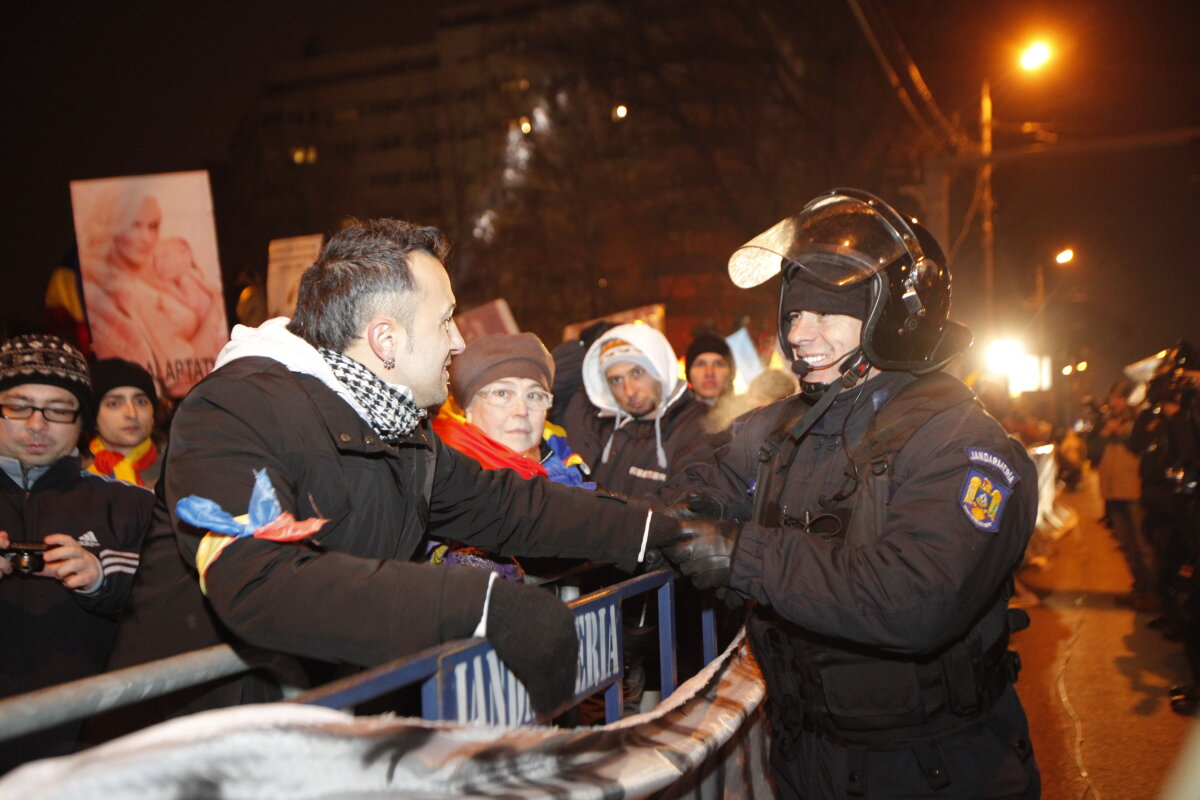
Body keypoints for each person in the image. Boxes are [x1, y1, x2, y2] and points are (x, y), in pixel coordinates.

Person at [104, 219, 681, 725]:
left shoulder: (400, 431)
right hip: (195, 750)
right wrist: (479, 604)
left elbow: (509, 507)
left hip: (321, 727)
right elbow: (257, 580)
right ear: (386, 339)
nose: (459, 342)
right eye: (447, 320)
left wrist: (663, 530)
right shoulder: (236, 410)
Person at [662, 188, 1041, 798]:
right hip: (806, 758)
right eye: (793, 313)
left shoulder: (965, 443)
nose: (799, 333)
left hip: (932, 770)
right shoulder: (784, 422)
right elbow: (701, 473)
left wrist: (742, 553)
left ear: (895, 317)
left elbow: (915, 598)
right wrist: (692, 513)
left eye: (827, 313)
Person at [0, 335, 154, 774]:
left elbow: (171, 605)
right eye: (18, 406)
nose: (36, 424)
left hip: (91, 747)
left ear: (80, 420)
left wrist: (102, 576)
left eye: (58, 409)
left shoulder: (132, 505)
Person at [429, 332, 593, 580]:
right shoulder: (442, 479)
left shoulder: (567, 462)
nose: (522, 411)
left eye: (534, 395)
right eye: (503, 394)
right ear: (468, 409)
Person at [556, 322, 718, 500]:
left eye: (637, 372)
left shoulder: (701, 425)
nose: (629, 391)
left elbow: (683, 504)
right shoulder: (597, 422)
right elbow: (550, 385)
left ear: (659, 370)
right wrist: (584, 345)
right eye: (616, 380)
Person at [85, 358, 162, 489]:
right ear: (94, 418)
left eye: (141, 402)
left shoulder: (180, 469)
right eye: (114, 404)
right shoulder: (76, 478)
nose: (132, 414)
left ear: (153, 414)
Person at [685, 332, 735, 406]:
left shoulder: (748, 414)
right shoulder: (674, 416)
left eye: (718, 364)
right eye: (701, 364)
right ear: (688, 373)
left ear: (731, 372)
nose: (709, 373)